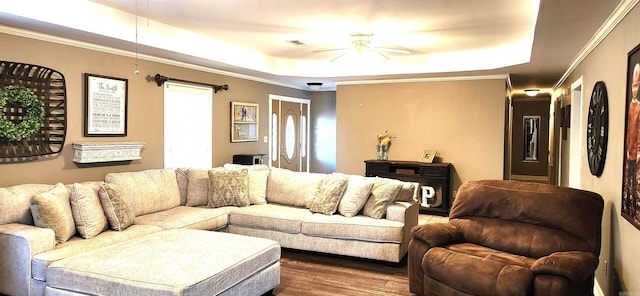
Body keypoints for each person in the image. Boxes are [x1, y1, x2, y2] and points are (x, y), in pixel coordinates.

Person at [625, 63, 640, 218]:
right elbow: (629, 130)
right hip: (629, 150)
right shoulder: (630, 106)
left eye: (636, 86)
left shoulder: (639, 107)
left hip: (635, 152)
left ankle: (634, 203)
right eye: (633, 86)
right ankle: (629, 202)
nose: (634, 90)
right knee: (629, 178)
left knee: (634, 180)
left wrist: (638, 151)